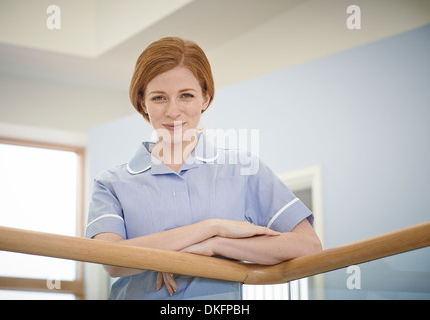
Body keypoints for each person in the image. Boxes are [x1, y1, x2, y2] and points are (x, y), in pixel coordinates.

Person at [85, 37, 322, 300]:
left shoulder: (244, 170)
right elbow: (112, 260)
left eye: (186, 95)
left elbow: (308, 245)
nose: (173, 111)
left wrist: (215, 245)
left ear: (205, 98)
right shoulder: (111, 183)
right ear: (143, 103)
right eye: (159, 97)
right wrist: (211, 227)